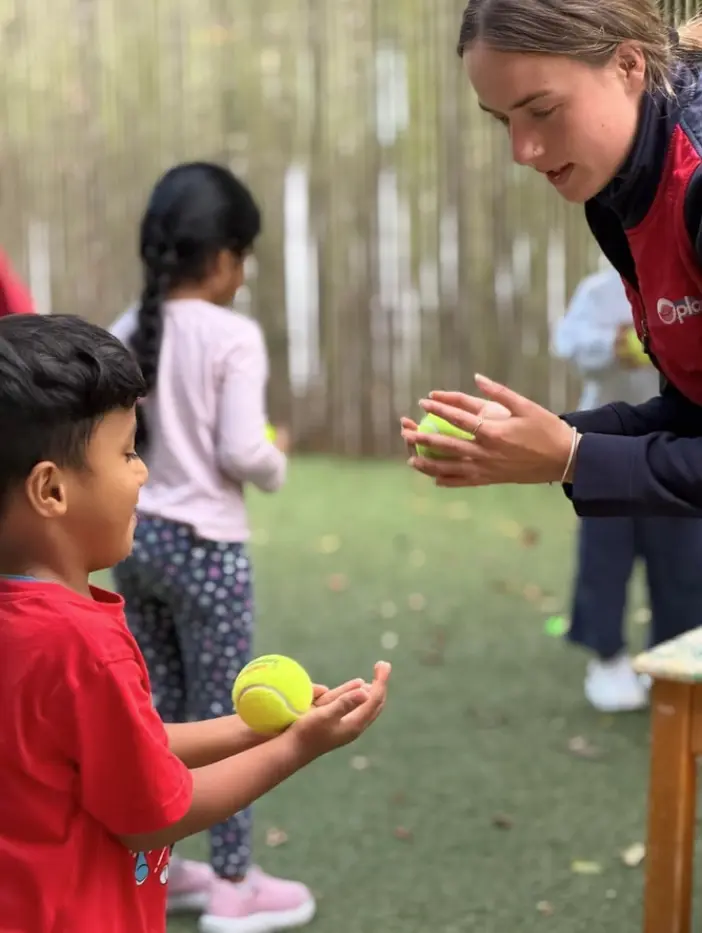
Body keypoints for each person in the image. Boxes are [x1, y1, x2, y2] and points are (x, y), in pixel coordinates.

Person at [0, 312, 390, 933]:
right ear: (51, 491)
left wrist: (255, 728)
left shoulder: (26, 623)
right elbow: (154, 816)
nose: (142, 472)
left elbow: (119, 746)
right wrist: (298, 747)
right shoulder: (81, 644)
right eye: (128, 452)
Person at [108, 161, 315, 933]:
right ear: (226, 257)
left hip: (137, 543)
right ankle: (232, 881)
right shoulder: (233, 336)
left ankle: (156, 870)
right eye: (246, 255)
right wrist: (276, 456)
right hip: (208, 550)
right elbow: (240, 449)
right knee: (234, 712)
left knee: (156, 713)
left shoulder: (126, 329)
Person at [400, 0, 702, 522]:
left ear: (628, 64)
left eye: (541, 111)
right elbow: (690, 415)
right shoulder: (619, 196)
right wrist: (542, 439)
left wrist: (574, 456)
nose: (521, 151)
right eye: (503, 120)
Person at [553, 264, 702, 711]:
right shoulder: (599, 290)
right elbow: (567, 343)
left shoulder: (690, 282)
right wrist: (613, 346)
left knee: (684, 561)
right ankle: (608, 659)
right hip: (608, 442)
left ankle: (671, 658)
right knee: (604, 558)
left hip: (678, 441)